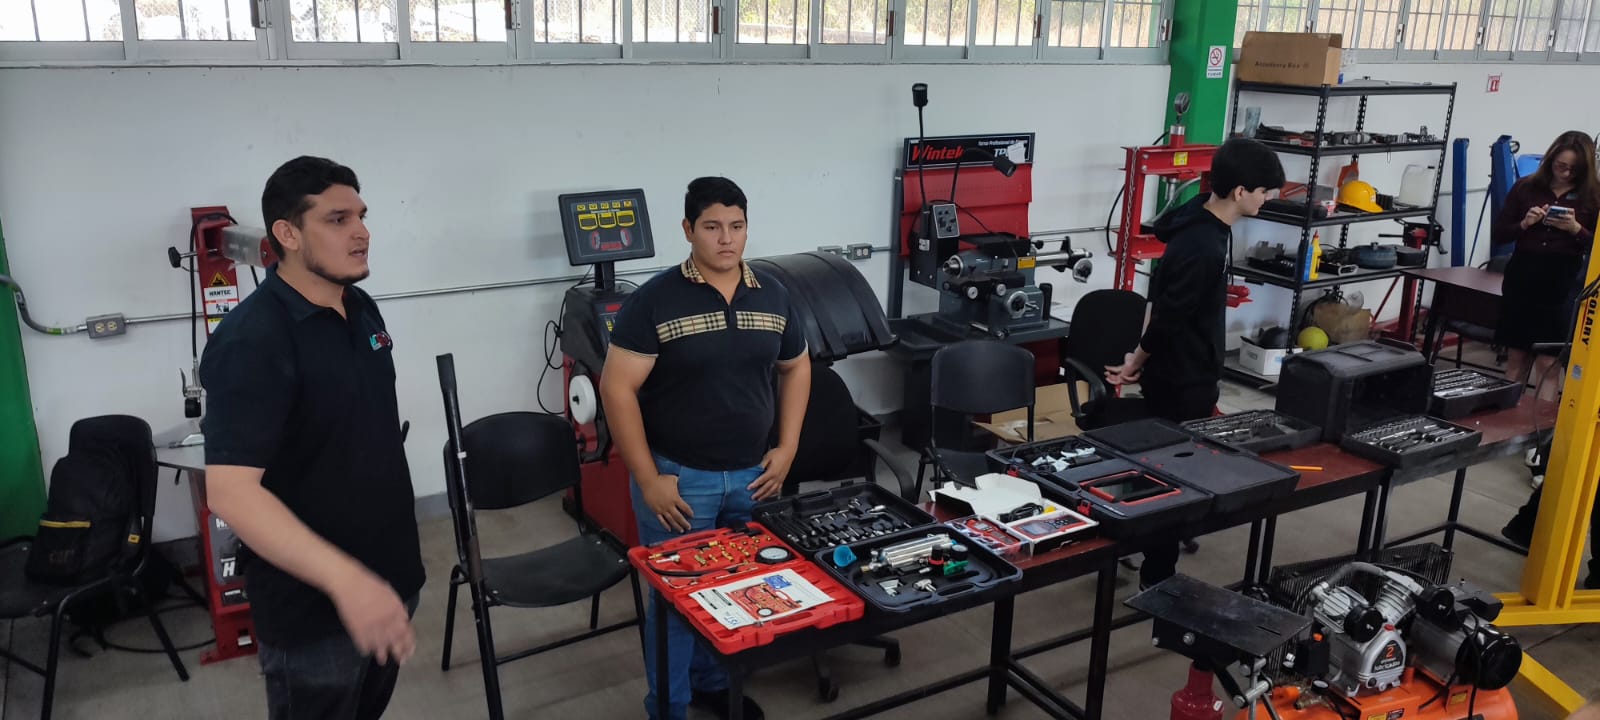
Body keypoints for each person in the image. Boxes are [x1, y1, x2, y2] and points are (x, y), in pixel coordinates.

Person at [200, 156, 424, 720]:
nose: (362, 231)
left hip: (390, 581)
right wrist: (348, 583)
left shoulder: (359, 306)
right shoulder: (252, 340)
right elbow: (231, 494)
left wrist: (383, 583)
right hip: (315, 613)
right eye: (338, 219)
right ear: (287, 233)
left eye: (362, 216)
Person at [599, 176, 811, 720]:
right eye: (712, 227)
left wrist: (786, 447)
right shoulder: (655, 301)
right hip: (679, 479)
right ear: (688, 230)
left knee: (738, 591)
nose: (726, 239)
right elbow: (616, 388)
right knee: (676, 600)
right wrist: (648, 479)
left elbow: (795, 367)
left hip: (751, 475)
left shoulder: (774, 294)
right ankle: (668, 708)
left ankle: (715, 684)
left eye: (736, 226)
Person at [1104, 137, 1285, 588]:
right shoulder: (1203, 245)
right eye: (1264, 192)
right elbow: (1168, 316)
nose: (1266, 201)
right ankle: (1157, 579)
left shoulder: (1202, 224)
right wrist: (1136, 360)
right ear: (1240, 191)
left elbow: (1161, 299)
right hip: (1183, 378)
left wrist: (1139, 357)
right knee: (1172, 478)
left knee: (1159, 468)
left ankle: (1136, 540)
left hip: (1182, 369)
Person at [1492, 130, 1599, 402]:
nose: (1564, 174)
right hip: (1523, 277)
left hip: (1562, 282)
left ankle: (1536, 438)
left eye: (1573, 170)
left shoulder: (1593, 196)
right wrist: (1525, 224)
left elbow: (1596, 247)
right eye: (1560, 166)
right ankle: (1504, 424)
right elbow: (1500, 234)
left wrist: (1576, 229)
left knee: (1547, 363)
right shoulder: (1526, 187)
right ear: (1550, 159)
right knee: (1516, 356)